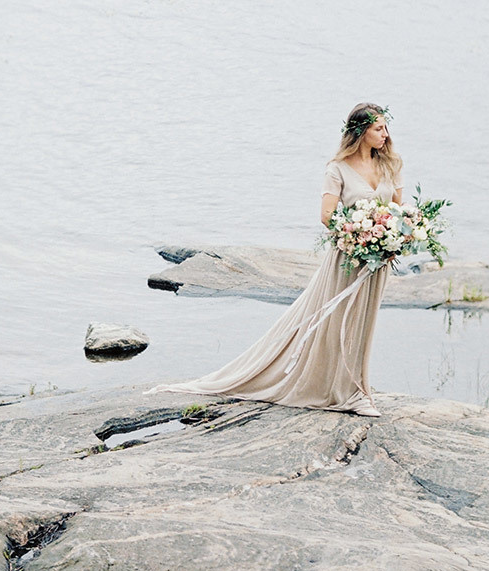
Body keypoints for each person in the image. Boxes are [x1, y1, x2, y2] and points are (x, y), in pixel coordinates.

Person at [157, 103, 402, 417]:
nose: (385, 134)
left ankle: (356, 387)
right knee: (339, 320)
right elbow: (327, 216)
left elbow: (398, 209)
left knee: (364, 323)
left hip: (377, 260)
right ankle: (343, 391)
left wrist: (395, 235)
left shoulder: (391, 164)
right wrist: (359, 236)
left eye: (385, 128)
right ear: (361, 131)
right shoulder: (337, 168)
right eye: (378, 128)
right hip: (348, 256)